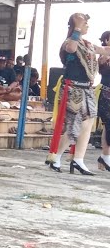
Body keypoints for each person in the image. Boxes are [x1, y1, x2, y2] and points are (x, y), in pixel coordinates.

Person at [45, 13, 110, 175]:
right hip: (73, 89)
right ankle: (56, 157)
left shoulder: (87, 44)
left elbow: (103, 50)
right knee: (74, 127)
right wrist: (78, 29)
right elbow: (71, 48)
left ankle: (78, 159)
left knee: (87, 125)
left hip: (86, 89)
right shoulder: (70, 42)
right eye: (85, 23)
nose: (87, 26)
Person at [95, 31, 110, 172]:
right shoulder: (104, 55)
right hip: (106, 93)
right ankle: (105, 157)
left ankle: (104, 157)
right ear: (106, 40)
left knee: (108, 126)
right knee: (108, 124)